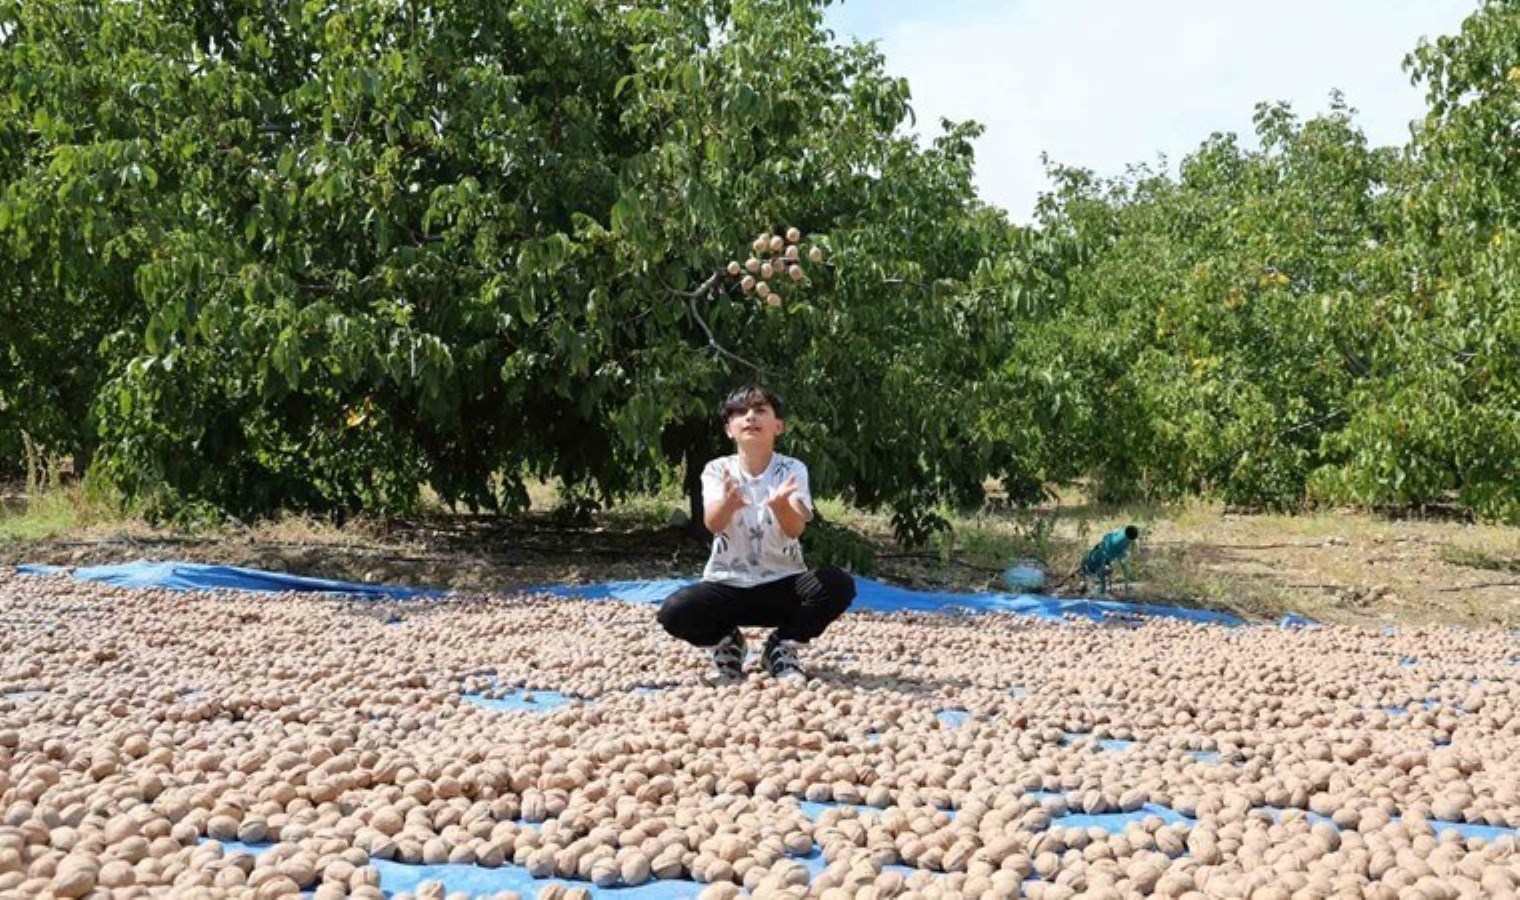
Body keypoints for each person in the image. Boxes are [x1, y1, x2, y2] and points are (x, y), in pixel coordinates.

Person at [657, 385, 856, 682]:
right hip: (727, 584)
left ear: (778, 426)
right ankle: (728, 644)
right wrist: (728, 503)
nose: (750, 417)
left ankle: (782, 647)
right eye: (740, 412)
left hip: (783, 584)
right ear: (729, 429)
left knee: (837, 584)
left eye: (760, 410)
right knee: (675, 611)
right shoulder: (716, 469)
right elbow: (713, 524)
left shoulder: (792, 469)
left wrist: (780, 506)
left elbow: (795, 529)